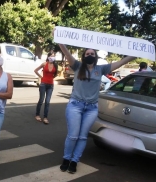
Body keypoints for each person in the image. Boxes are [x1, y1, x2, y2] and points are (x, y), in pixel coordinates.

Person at [58, 43, 136, 174]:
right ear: (84, 56)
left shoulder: (101, 69)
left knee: (83, 137)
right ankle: (66, 159)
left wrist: (133, 55)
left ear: (96, 56)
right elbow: (67, 53)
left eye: (92, 54)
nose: (89, 55)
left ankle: (74, 161)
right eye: (87, 54)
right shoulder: (77, 66)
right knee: (73, 136)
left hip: (91, 108)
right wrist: (60, 42)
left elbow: (121, 62)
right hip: (75, 106)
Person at [34, 52, 58, 124]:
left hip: (51, 85)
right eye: (51, 56)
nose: (52, 57)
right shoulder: (44, 64)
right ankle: (37, 115)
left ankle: (45, 117)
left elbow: (56, 74)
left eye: (53, 56)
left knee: (47, 102)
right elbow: (35, 70)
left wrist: (51, 78)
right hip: (43, 84)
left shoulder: (55, 65)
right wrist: (41, 77)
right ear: (48, 57)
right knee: (41, 100)